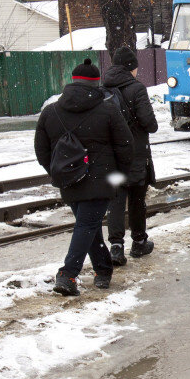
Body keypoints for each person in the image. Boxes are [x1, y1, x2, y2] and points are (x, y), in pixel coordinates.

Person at [34, 59, 133, 296]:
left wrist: (58, 171)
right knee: (88, 227)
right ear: (96, 84)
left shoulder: (50, 112)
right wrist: (119, 175)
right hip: (102, 180)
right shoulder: (108, 109)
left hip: (69, 180)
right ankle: (68, 274)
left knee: (87, 226)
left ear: (73, 82)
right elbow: (126, 145)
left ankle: (103, 270)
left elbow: (41, 150)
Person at [102, 47, 159, 266]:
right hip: (135, 154)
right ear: (130, 67)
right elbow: (150, 124)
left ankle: (116, 247)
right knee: (136, 199)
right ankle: (139, 242)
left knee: (116, 200)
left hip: (112, 155)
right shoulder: (137, 89)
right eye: (135, 67)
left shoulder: (103, 89)